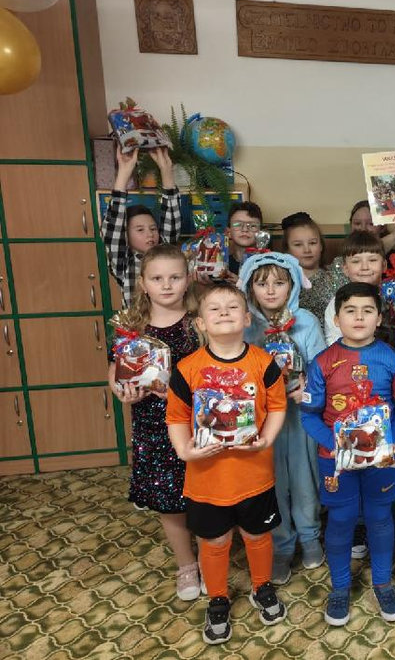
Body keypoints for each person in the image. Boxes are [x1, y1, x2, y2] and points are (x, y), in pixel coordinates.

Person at [165, 283, 288, 645]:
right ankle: (217, 598)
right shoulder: (187, 368)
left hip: (255, 475)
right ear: (200, 323)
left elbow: (278, 406)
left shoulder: (264, 363)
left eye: (232, 307)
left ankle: (262, 587)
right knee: (214, 540)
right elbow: (176, 416)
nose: (223, 312)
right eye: (214, 308)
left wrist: (267, 437)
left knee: (258, 535)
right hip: (207, 479)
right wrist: (184, 451)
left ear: (247, 319)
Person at [301, 282, 395, 626]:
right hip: (336, 461)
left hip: (381, 459)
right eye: (350, 311)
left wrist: (390, 439)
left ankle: (383, 584)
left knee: (380, 518)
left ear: (379, 318)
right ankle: (340, 588)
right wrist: (334, 444)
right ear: (337, 319)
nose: (359, 317)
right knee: (341, 519)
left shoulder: (390, 357)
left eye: (367, 311)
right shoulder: (322, 362)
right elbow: (309, 415)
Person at [108, 244, 201, 599]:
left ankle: (211, 557)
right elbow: (115, 369)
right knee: (168, 499)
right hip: (153, 425)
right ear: (143, 283)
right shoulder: (132, 326)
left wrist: (182, 393)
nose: (166, 285)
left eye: (175, 277)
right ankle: (186, 565)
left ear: (188, 279)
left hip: (196, 423)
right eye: (157, 278)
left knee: (205, 494)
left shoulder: (199, 322)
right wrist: (121, 390)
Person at [239, 252, 327, 584]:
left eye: (279, 283)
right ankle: (281, 545)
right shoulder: (245, 322)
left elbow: (321, 366)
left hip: (300, 416)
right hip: (263, 421)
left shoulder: (305, 320)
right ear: (249, 287)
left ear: (292, 285)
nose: (271, 290)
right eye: (262, 284)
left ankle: (310, 537)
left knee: (306, 480)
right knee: (271, 482)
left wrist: (308, 386)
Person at [101, 145, 180, 306]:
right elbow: (113, 229)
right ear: (126, 235)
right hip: (138, 322)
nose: (149, 234)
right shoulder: (124, 262)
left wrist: (166, 170)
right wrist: (124, 173)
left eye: (153, 228)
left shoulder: (165, 254)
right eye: (140, 230)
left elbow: (171, 219)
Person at [281, 212, 339, 326]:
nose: (307, 250)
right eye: (298, 245)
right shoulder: (281, 283)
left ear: (321, 246)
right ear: (287, 250)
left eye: (312, 243)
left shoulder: (336, 273)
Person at [226, 202, 265, 279]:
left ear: (260, 232)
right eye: (238, 225)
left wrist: (242, 284)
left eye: (253, 226)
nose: (245, 229)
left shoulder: (270, 264)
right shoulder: (222, 265)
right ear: (228, 232)